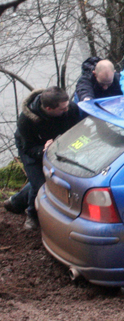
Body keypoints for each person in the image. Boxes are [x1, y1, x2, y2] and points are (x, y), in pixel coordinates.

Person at [15, 87, 80, 229]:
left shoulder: (70, 108)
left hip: (58, 145)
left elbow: (79, 129)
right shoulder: (26, 121)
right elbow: (28, 148)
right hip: (32, 147)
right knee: (39, 183)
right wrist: (43, 150)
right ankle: (31, 215)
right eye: (62, 109)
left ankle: (15, 202)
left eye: (67, 106)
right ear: (49, 108)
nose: (67, 110)